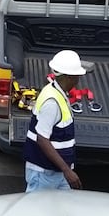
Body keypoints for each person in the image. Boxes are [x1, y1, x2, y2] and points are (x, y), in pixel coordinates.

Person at [23, 50, 85, 192]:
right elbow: (42, 139)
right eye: (77, 75)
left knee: (62, 211)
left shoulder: (55, 92)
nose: (79, 79)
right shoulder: (52, 103)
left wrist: (65, 170)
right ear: (69, 77)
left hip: (55, 173)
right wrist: (67, 171)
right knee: (38, 212)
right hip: (44, 174)